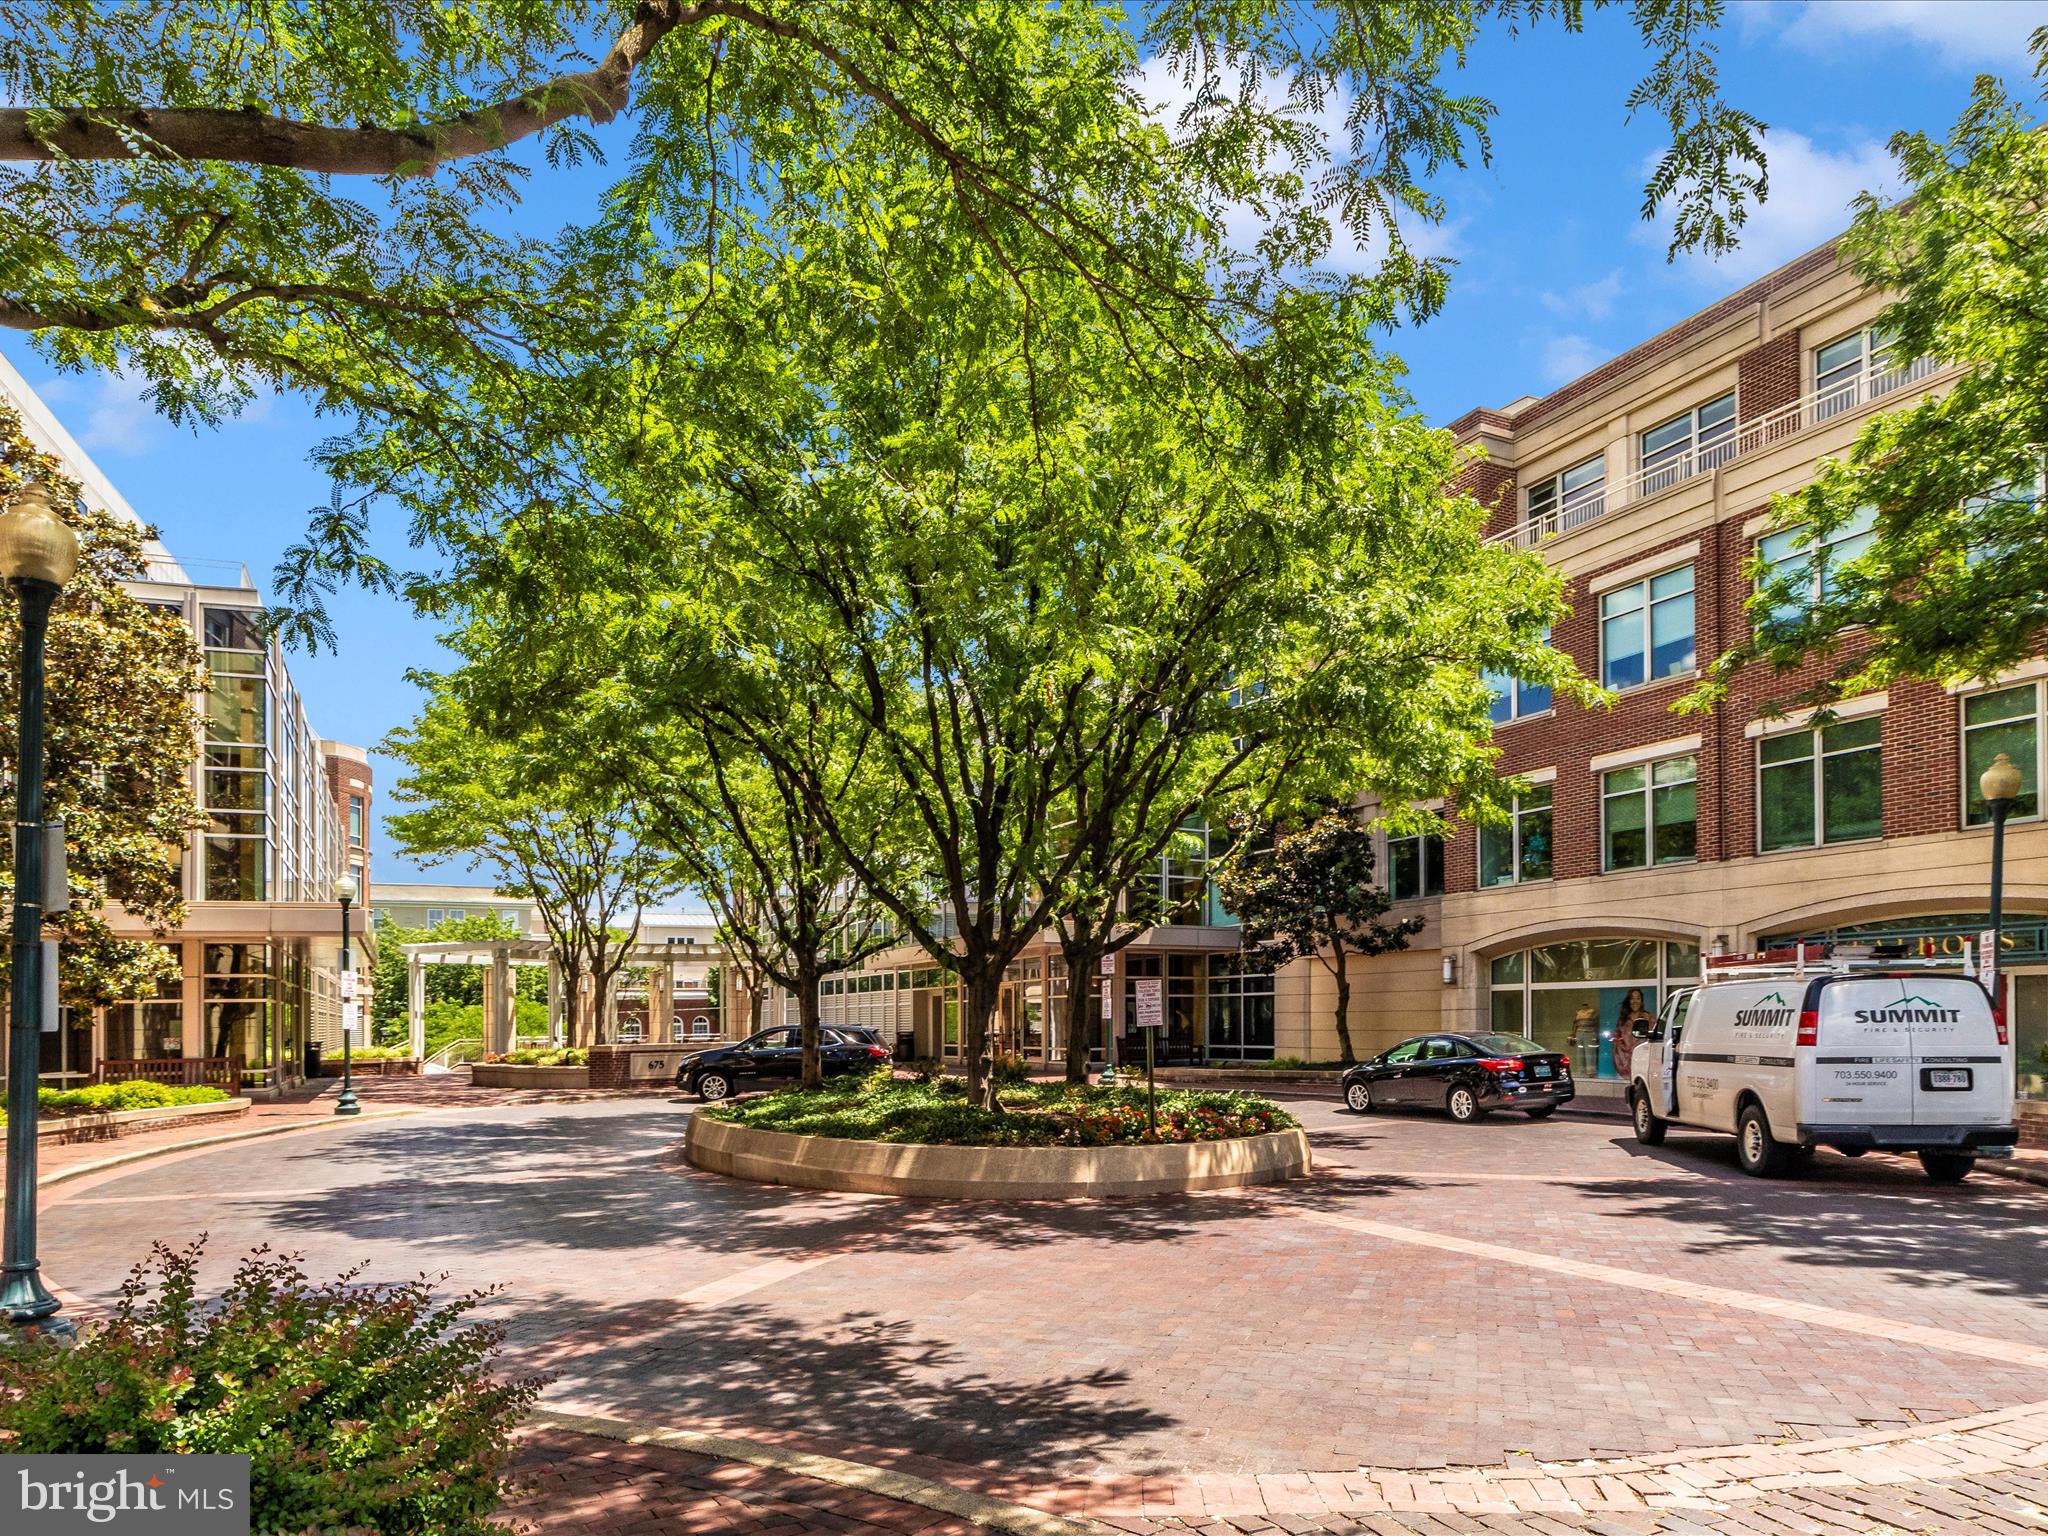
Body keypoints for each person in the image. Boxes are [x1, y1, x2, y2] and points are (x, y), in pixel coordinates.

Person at [1612, 986, 1653, 1078]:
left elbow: (1654, 1037)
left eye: (1638, 998)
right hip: (1625, 1064)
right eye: (1632, 998)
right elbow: (1617, 1038)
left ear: (1642, 1001)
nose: (1635, 1001)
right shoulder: (1623, 1020)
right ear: (1628, 1001)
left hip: (1643, 1062)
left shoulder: (1648, 1018)